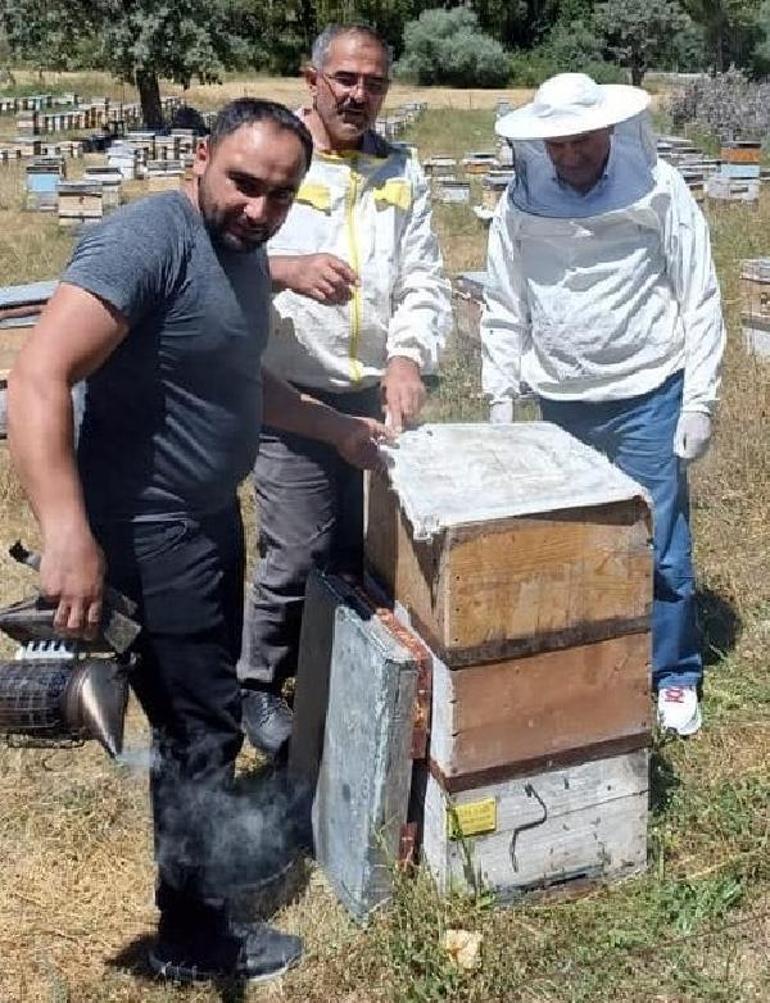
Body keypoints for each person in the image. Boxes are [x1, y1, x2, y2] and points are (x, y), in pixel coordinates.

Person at [7, 97, 390, 985]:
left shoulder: (238, 254)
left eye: (280, 195)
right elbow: (37, 376)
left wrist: (332, 427)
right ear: (201, 158)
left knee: (202, 715)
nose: (259, 208)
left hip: (207, 518)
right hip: (148, 528)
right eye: (244, 184)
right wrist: (66, 531)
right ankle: (192, 934)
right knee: (199, 731)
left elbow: (234, 373)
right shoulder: (151, 239)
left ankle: (198, 892)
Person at [481, 73, 726, 737]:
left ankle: (672, 672)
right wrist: (502, 392)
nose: (569, 154)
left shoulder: (659, 186)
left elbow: (698, 290)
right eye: (556, 143)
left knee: (660, 543)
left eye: (581, 140)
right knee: (574, 540)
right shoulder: (521, 203)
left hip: (650, 390)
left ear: (609, 130)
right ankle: (593, 666)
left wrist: (698, 399)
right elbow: (504, 303)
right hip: (562, 399)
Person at [237, 23, 451, 754]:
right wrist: (287, 271)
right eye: (345, 80)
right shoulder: (271, 156)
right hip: (289, 391)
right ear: (312, 79)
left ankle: (344, 671)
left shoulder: (401, 171)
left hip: (374, 395)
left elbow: (424, 277)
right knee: (296, 549)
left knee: (371, 552)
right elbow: (211, 254)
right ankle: (259, 681)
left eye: (375, 83)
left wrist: (409, 358)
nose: (359, 96)